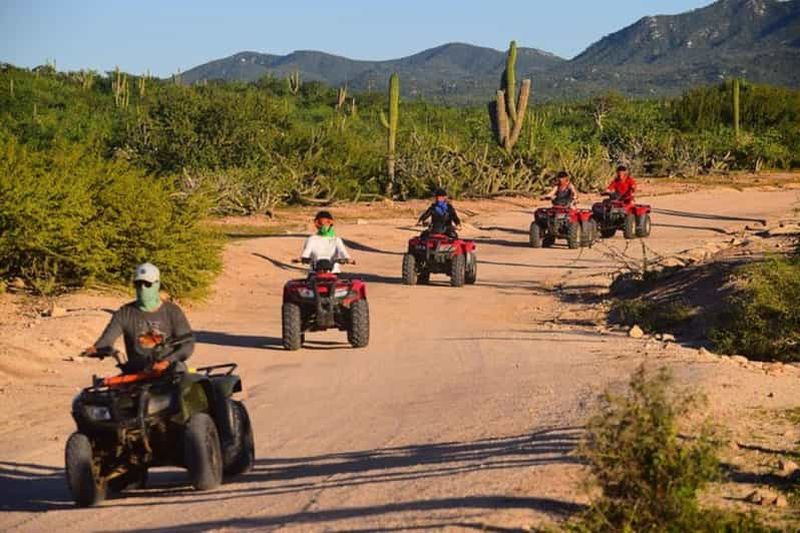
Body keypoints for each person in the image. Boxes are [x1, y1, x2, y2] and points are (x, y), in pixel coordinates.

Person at [84, 263, 195, 374]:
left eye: (147, 284)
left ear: (157, 284)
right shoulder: (124, 313)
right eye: (138, 283)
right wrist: (95, 350)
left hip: (170, 370)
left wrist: (167, 362)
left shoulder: (172, 311)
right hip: (137, 373)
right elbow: (106, 342)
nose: (142, 288)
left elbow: (188, 344)